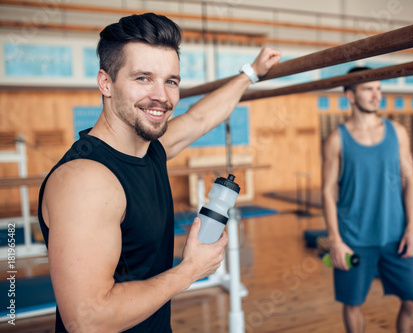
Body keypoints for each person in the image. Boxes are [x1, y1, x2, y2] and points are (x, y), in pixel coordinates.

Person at [37, 13, 281, 332]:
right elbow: (87, 320)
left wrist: (251, 73)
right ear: (105, 82)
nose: (162, 96)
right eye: (143, 78)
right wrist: (190, 270)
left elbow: (200, 119)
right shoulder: (86, 181)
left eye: (171, 81)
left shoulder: (151, 148)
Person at [321, 67, 413, 333]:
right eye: (368, 89)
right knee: (353, 304)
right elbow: (327, 192)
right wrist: (335, 240)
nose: (376, 95)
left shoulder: (397, 132)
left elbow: (410, 180)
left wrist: (412, 229)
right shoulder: (336, 139)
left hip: (395, 237)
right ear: (351, 96)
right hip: (354, 240)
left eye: (379, 89)